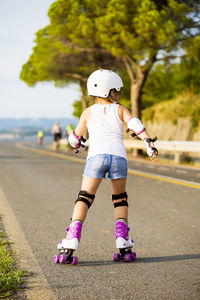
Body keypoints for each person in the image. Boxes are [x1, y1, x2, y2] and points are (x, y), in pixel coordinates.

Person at [54, 69, 158, 265]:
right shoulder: (120, 109)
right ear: (108, 91)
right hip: (118, 158)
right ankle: (122, 241)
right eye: (115, 90)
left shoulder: (88, 112)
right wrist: (147, 142)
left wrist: (79, 144)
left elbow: (75, 138)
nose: (118, 93)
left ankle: (72, 240)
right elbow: (135, 124)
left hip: (96, 157)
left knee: (84, 197)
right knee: (120, 199)